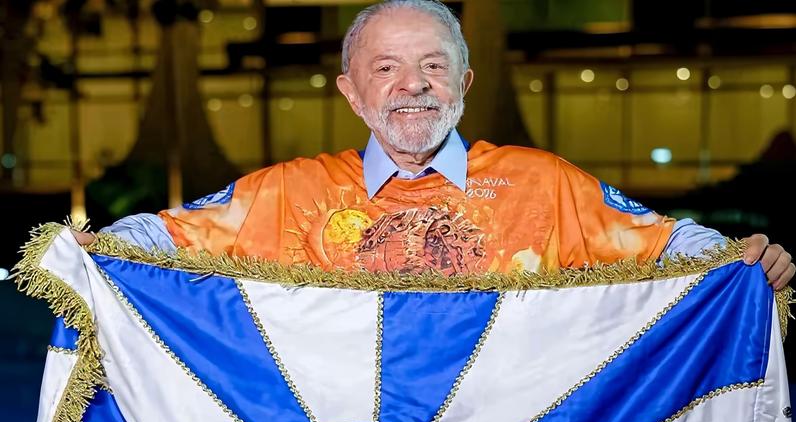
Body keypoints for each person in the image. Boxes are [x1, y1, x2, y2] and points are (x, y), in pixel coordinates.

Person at [72, 0, 793, 288]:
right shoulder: (290, 192)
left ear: (464, 83)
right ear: (351, 92)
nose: (412, 85)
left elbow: (664, 242)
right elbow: (165, 235)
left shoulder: (542, 183)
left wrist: (740, 260)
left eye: (433, 66)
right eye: (385, 68)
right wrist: (90, 249)